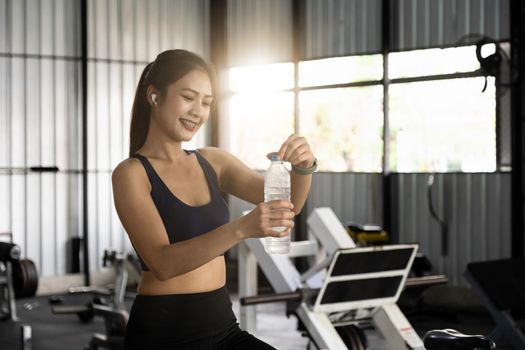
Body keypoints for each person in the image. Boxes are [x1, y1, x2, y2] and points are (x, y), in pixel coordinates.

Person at [112, 49, 317, 350]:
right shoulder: (131, 174)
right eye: (188, 97)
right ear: (154, 96)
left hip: (222, 327)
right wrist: (242, 228)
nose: (198, 111)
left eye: (206, 102)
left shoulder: (213, 161)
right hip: (165, 336)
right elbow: (163, 264)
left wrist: (304, 167)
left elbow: (289, 206)